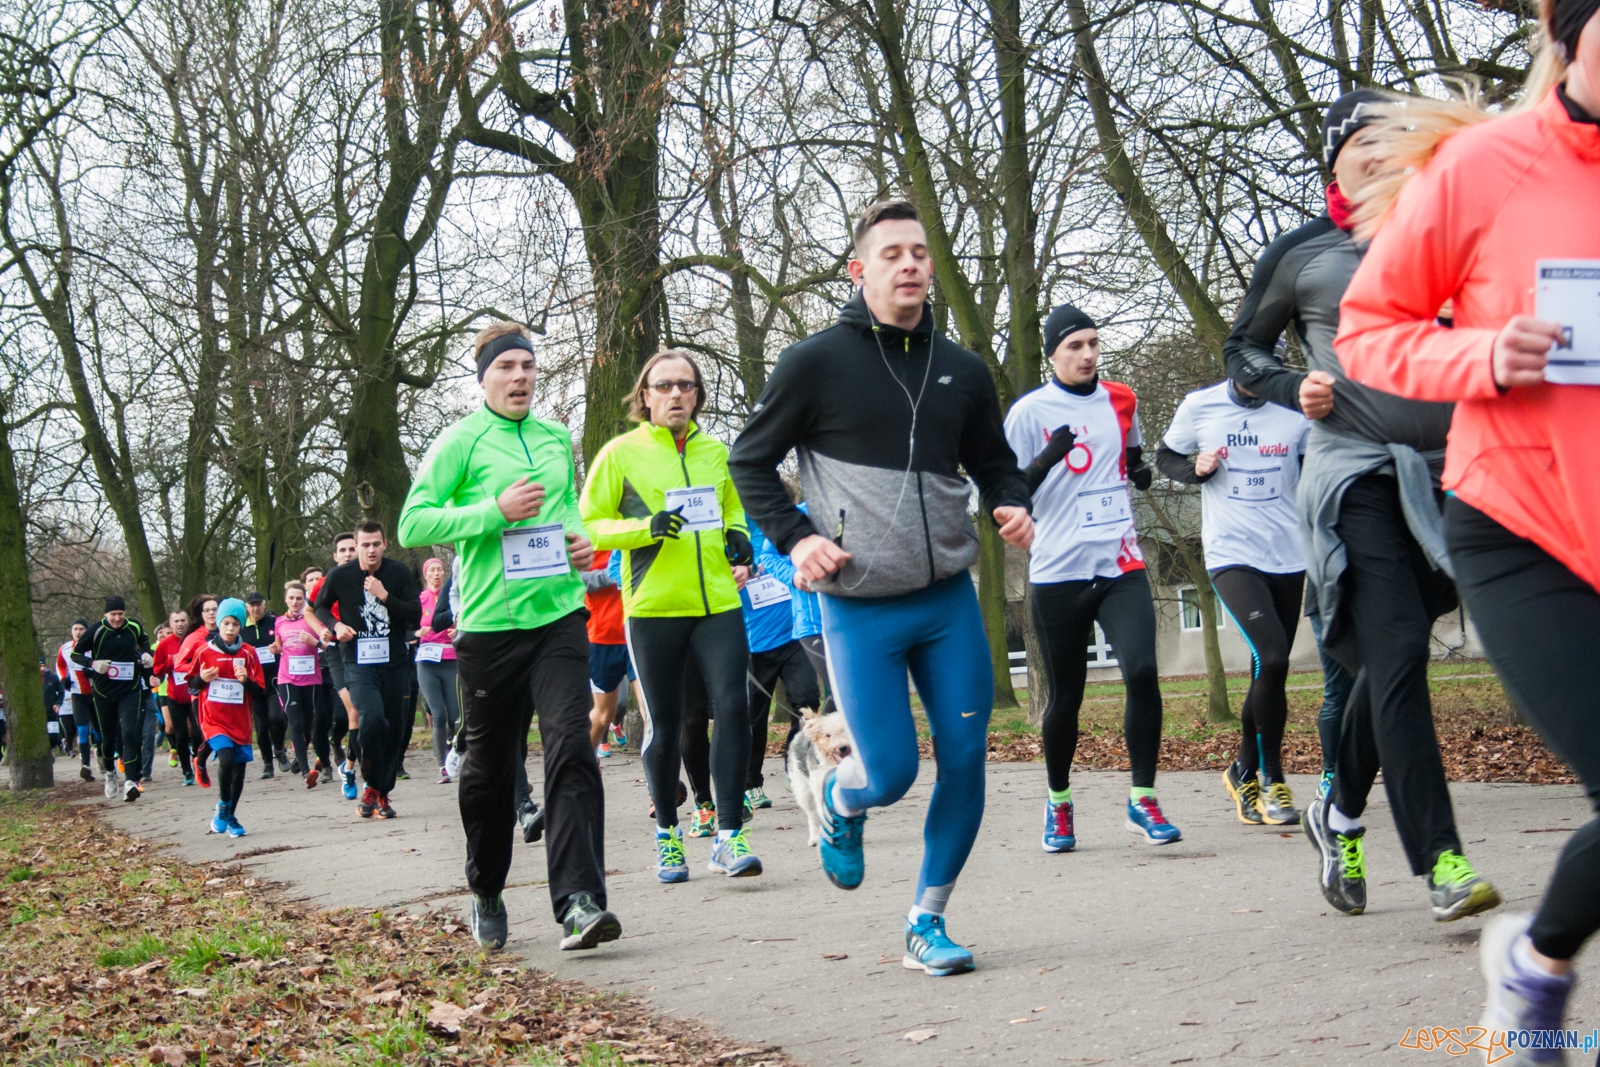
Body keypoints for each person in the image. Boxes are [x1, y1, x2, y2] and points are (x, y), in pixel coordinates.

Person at [1334, 2, 1600, 1046]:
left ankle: (1532, 957)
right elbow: (1369, 333)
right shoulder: (1487, 167)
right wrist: (1478, 356)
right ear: (1567, 33)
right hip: (1520, 523)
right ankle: (1530, 968)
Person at [728, 200, 1034, 977]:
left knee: (966, 758)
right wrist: (798, 539)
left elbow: (994, 460)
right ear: (860, 270)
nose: (909, 265)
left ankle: (926, 920)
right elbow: (749, 463)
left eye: (920, 253)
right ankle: (840, 801)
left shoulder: (963, 370)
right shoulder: (814, 362)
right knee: (889, 771)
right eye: (892, 253)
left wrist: (1010, 500)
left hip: (946, 602)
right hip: (859, 604)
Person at [1225, 88, 1500, 923]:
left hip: (1455, 473)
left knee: (1392, 661)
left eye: (1396, 140)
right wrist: (1285, 383)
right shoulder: (1305, 252)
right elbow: (1242, 348)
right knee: (1400, 651)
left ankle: (1338, 810)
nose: (1381, 154)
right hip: (1355, 474)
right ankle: (1443, 858)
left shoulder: (1453, 239)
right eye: (1362, 144)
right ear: (1333, 161)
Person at [399, 320, 616, 952]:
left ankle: (578, 901)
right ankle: (487, 887)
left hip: (558, 619)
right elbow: (415, 522)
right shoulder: (460, 441)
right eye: (506, 367)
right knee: (490, 774)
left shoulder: (554, 436)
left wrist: (578, 541)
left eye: (527, 365)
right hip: (490, 629)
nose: (520, 376)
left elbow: (568, 508)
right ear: (484, 378)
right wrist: (492, 511)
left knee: (573, 747)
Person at [582, 348, 763, 886]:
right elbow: (592, 523)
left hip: (717, 602)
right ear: (645, 395)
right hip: (653, 606)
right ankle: (667, 835)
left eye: (686, 386)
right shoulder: (621, 453)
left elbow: (732, 505)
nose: (676, 395)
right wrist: (646, 528)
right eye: (664, 386)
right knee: (665, 723)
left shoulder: (715, 451)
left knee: (735, 706)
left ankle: (728, 834)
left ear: (698, 395)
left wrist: (739, 534)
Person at [1003, 305, 1174, 853]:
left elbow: (1131, 454)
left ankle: (1142, 799)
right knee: (1066, 698)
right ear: (1052, 352)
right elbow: (1006, 497)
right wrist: (1050, 456)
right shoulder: (1029, 413)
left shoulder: (1122, 398)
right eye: (1075, 345)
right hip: (1057, 572)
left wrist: (1141, 471)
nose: (1087, 354)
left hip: (1120, 564)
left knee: (1143, 670)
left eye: (1094, 344)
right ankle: (1058, 803)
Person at [1158, 377, 1312, 826]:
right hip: (1231, 553)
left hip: (1288, 552)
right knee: (1273, 655)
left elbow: (1313, 465)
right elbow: (1167, 456)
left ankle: (1242, 767)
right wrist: (1196, 471)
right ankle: (1272, 779)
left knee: (1269, 667)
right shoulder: (1199, 405)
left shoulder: (1297, 405)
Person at [313, 521, 422, 820]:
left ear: (385, 544)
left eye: (376, 544)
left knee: (396, 731)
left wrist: (385, 596)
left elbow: (415, 614)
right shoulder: (341, 575)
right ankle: (373, 784)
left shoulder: (398, 573)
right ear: (357, 546)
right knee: (372, 719)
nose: (371, 549)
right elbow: (319, 607)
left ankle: (380, 793)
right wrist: (336, 626)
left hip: (396, 664)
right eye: (365, 544)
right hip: (359, 664)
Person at [740, 520, 821, 811]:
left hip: (794, 637)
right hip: (753, 644)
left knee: (807, 701)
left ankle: (794, 764)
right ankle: (750, 783)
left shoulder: (788, 530)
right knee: (752, 716)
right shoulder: (735, 534)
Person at [191, 598, 266, 837]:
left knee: (239, 770)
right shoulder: (204, 652)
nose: (230, 629)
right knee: (225, 758)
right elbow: (192, 683)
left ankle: (231, 814)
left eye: (235, 624)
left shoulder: (249, 654)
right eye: (226, 623)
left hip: (240, 721)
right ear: (219, 624)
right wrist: (202, 678)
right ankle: (223, 805)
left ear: (240, 626)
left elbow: (261, 691)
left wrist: (246, 681)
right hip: (213, 719)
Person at [757, 493, 832, 722]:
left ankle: (832, 752)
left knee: (857, 691)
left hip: (862, 619)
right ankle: (820, 752)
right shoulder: (798, 514)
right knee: (844, 688)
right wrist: (793, 575)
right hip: (815, 624)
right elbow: (767, 556)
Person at [72, 596, 154, 802]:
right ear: (105, 615)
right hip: (104, 691)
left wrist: (146, 654)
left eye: (120, 614)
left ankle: (130, 781)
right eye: (113, 615)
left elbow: (144, 643)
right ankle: (110, 774)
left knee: (130, 734)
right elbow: (75, 654)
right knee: (108, 738)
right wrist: (93, 663)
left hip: (130, 689)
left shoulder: (133, 626)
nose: (117, 618)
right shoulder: (96, 630)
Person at [276, 580, 332, 788]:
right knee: (296, 724)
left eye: (299, 598)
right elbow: (281, 647)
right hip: (288, 679)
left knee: (310, 725)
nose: (295, 602)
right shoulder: (279, 622)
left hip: (311, 679)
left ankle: (300, 761)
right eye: (291, 598)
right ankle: (306, 771)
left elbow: (328, 647)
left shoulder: (313, 619)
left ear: (305, 599)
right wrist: (276, 648)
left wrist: (315, 641)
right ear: (286, 599)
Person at [415, 557, 461, 784]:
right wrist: (417, 633)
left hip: (451, 659)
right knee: (439, 714)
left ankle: (455, 752)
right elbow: (407, 629)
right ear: (425, 574)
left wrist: (457, 631)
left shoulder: (451, 596)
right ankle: (442, 765)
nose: (436, 574)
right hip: (426, 662)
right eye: (432, 570)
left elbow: (462, 618)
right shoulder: (418, 600)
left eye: (440, 570)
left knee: (456, 715)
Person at [582, 550, 628, 759]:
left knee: (653, 714)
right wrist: (610, 575)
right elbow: (574, 580)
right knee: (604, 714)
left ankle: (661, 790)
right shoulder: (586, 528)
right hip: (604, 636)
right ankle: (579, 770)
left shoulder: (646, 522)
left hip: (642, 627)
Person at [242, 592, 289, 777]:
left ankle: (279, 748)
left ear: (264, 604)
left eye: (258, 604)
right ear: (247, 607)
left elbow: (287, 644)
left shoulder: (274, 623)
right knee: (261, 726)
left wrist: (280, 649)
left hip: (274, 680)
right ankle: (268, 764)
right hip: (254, 684)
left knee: (278, 717)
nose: (256, 608)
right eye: (252, 605)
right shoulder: (242, 629)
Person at [176, 596, 219, 788]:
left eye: (215, 609)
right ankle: (199, 761)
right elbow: (178, 665)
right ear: (201, 614)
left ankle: (230, 765)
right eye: (207, 610)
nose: (211, 613)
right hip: (201, 692)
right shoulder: (194, 637)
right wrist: (199, 670)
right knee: (208, 733)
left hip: (227, 691)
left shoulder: (227, 632)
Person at [152, 610, 197, 786]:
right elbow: (156, 671)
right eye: (176, 621)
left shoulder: (194, 640)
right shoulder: (164, 645)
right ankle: (187, 771)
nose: (180, 624)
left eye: (183, 620)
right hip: (175, 696)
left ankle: (198, 761)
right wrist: (171, 662)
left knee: (197, 731)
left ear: (188, 622)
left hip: (194, 694)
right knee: (180, 734)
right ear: (170, 625)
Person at [57, 620, 96, 779]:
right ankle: (85, 765)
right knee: (82, 730)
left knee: (99, 732)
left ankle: (102, 757)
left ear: (86, 632)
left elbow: (106, 666)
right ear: (71, 631)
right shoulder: (65, 649)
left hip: (95, 694)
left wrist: (94, 673)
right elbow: (60, 666)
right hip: (77, 694)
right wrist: (63, 679)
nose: (78, 632)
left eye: (82, 629)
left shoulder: (94, 647)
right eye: (75, 629)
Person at [40, 660, 63, 753]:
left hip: (51, 712)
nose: (42, 668)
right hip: (38, 713)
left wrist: (57, 704)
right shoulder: (31, 680)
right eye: (40, 666)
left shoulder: (53, 678)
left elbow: (61, 692)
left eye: (44, 666)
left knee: (53, 736)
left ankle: (51, 749)